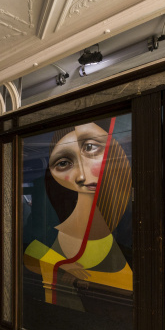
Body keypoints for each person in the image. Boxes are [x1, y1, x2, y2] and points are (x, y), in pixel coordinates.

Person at [23, 119, 132, 311]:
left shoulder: (118, 222)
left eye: (90, 147)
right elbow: (30, 254)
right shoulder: (51, 217)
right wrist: (62, 265)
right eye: (64, 162)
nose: (81, 175)